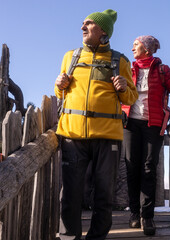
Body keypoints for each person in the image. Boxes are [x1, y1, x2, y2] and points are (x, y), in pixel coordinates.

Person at [54, 9, 138, 240]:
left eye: (88, 24)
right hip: (72, 135)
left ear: (103, 31)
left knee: (104, 193)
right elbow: (60, 93)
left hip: (107, 136)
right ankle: (69, 237)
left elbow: (131, 97)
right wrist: (59, 83)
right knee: (70, 193)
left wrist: (124, 86)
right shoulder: (71, 56)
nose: (82, 27)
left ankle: (96, 237)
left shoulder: (120, 60)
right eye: (83, 23)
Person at [121, 35, 170, 236]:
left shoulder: (162, 69)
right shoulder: (129, 69)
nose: (132, 48)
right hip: (130, 123)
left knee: (149, 168)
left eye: (136, 45)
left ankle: (147, 216)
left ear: (147, 49)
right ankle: (134, 213)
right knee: (131, 167)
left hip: (153, 123)